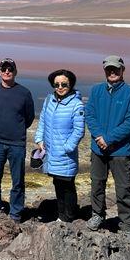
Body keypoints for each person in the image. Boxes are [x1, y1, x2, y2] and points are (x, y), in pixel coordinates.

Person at [85, 55, 130, 235]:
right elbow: (90, 115)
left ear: (122, 70)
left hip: (120, 150)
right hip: (98, 149)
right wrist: (99, 136)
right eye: (109, 69)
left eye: (116, 69)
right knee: (97, 184)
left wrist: (108, 139)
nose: (112, 72)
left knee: (124, 187)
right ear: (104, 71)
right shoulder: (96, 90)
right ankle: (97, 214)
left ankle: (127, 224)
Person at [0, 58, 35, 223]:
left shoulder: (24, 93)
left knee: (18, 181)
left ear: (15, 72)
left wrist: (16, 130)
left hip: (17, 144)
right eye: (4, 69)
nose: (7, 71)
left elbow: (29, 118)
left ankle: (15, 214)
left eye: (10, 69)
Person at [34, 69, 85, 222]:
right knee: (57, 183)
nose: (60, 87)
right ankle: (61, 214)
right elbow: (42, 120)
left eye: (64, 84)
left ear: (71, 85)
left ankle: (68, 217)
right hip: (50, 151)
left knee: (67, 185)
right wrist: (39, 139)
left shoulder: (77, 105)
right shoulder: (49, 100)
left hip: (65, 154)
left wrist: (66, 148)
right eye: (56, 84)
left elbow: (79, 130)